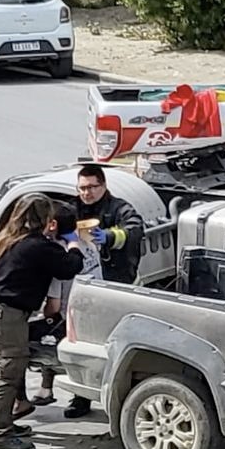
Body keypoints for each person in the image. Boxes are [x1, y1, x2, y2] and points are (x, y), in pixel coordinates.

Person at [0, 194, 86, 449]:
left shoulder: (10, 239)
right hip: (5, 312)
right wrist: (74, 244)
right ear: (46, 220)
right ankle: (0, 434)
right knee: (8, 370)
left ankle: (0, 423)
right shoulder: (38, 245)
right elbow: (69, 268)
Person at [69, 164, 144, 418]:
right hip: (83, 285)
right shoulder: (73, 207)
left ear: (103, 185)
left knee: (113, 341)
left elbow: (134, 229)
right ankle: (81, 396)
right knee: (83, 341)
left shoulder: (119, 208)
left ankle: (118, 396)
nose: (86, 193)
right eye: (82, 188)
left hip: (114, 284)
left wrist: (111, 237)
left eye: (91, 187)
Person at [29, 204, 102, 409]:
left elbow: (53, 303)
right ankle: (67, 394)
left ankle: (66, 395)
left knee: (45, 338)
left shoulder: (56, 254)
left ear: (53, 226)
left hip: (69, 313)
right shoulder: (88, 245)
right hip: (95, 307)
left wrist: (46, 315)